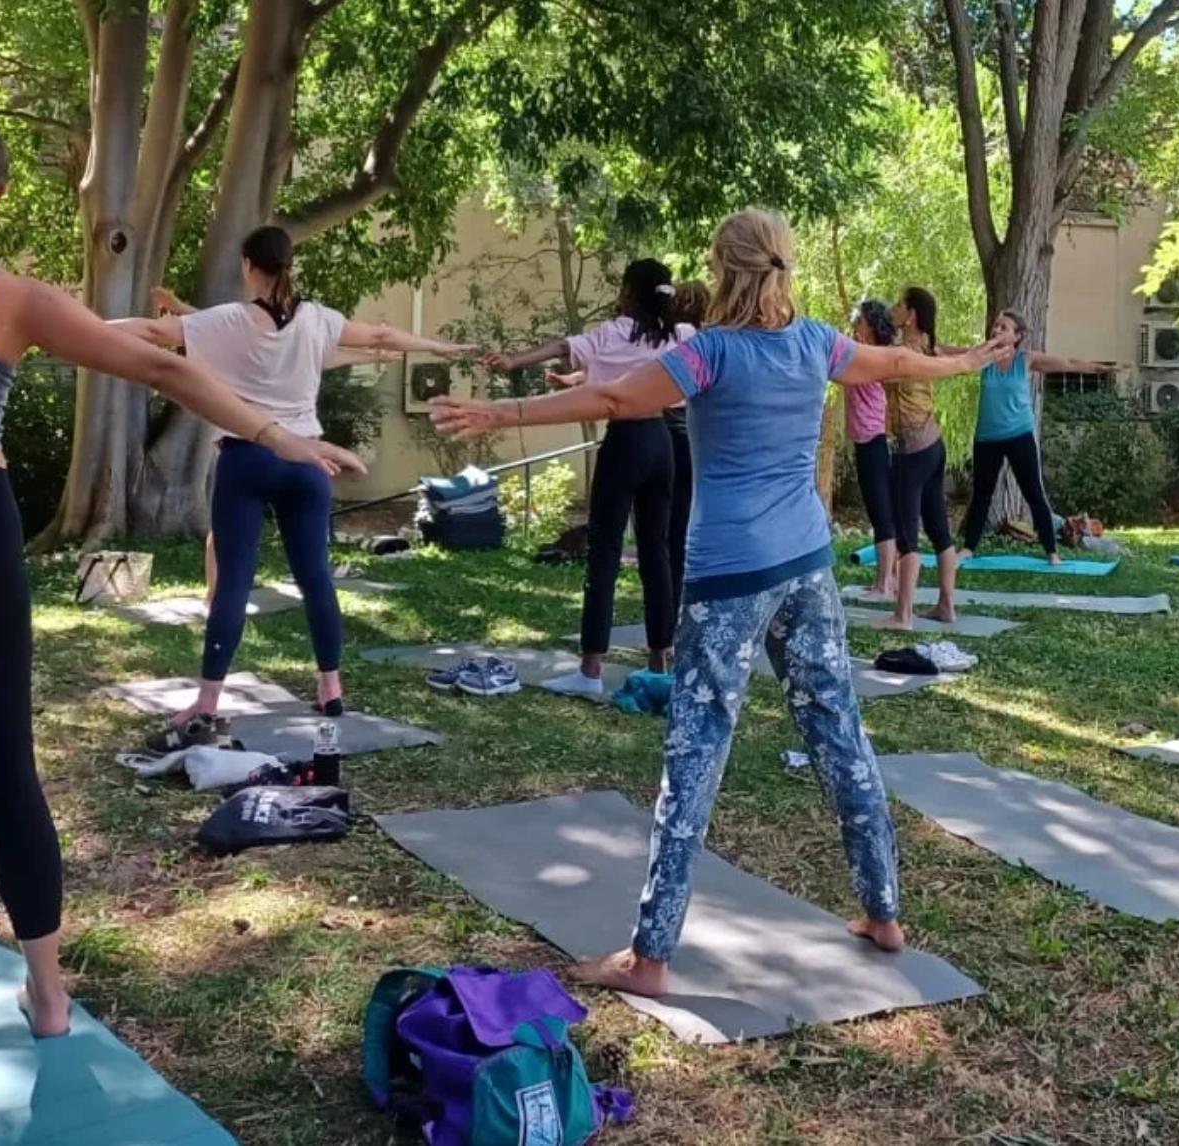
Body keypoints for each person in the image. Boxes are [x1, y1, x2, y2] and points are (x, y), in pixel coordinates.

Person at [0, 116, 363, 1035]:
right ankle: (50, 998)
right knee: (5, 777)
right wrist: (278, 434)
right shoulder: (19, 301)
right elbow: (162, 369)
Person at [429, 209, 1009, 997]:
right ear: (782, 268)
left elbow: (612, 403)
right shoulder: (813, 344)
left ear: (723, 269)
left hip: (731, 576)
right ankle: (885, 914)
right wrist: (970, 359)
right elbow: (897, 361)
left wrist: (500, 414)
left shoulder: (708, 353)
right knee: (840, 734)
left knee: (696, 754)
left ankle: (652, 957)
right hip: (807, 566)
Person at [115, 226, 474, 722]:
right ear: (289, 265)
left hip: (246, 458)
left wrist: (80, 327)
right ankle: (331, 687)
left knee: (234, 582)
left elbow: (155, 332)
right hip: (308, 463)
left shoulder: (228, 321)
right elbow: (385, 336)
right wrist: (444, 348)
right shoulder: (319, 321)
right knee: (316, 579)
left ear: (247, 265)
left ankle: (208, 698)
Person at [483, 259, 691, 697]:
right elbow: (626, 368)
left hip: (625, 442)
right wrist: (575, 381)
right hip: (663, 443)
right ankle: (661, 659)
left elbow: (563, 345)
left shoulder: (614, 332)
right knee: (657, 552)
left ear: (629, 293)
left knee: (605, 552)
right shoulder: (680, 335)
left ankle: (591, 669)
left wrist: (513, 361)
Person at [146, 285, 393, 610]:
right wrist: (179, 307)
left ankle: (267, 584)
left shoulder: (275, 341)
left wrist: (372, 354)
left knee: (257, 521)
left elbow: (324, 355)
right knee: (226, 528)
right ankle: (216, 593)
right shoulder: (231, 345)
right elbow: (205, 326)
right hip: (246, 440)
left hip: (283, 442)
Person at [956, 310, 1123, 563]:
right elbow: (951, 353)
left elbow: (1068, 363)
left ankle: (1051, 552)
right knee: (982, 494)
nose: (997, 330)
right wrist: (925, 346)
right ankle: (968, 548)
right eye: (996, 326)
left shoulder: (1026, 359)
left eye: (1004, 327)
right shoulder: (982, 358)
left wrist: (1101, 368)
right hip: (987, 438)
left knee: (1034, 493)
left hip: (1019, 435)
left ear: (1017, 336)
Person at [887, 287, 961, 627]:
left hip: (913, 450)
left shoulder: (902, 354)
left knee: (907, 534)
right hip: (934, 446)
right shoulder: (929, 348)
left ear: (912, 314)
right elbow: (958, 354)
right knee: (940, 531)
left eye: (900, 305)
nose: (894, 308)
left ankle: (903, 615)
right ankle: (946, 606)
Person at [848, 300, 900, 597]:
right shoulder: (864, 352)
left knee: (880, 513)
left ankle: (884, 583)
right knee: (880, 511)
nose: (856, 326)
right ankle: (888, 577)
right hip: (867, 440)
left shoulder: (868, 355)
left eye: (861, 323)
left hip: (872, 440)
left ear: (871, 327)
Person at [667, 281, 710, 591]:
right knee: (689, 509)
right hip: (697, 432)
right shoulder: (709, 338)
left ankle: (673, 582)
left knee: (671, 516)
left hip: (669, 426)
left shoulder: (675, 335)